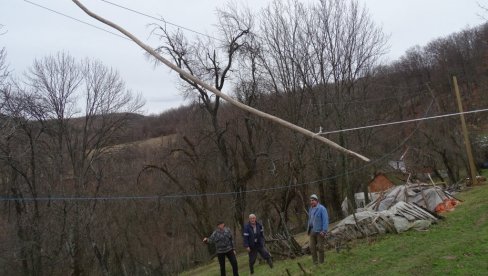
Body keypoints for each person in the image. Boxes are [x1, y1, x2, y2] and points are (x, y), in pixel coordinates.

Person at [307, 194, 329, 265]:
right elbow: (310, 220)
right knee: (312, 247)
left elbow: (325, 220)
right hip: (312, 231)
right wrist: (308, 229)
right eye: (310, 201)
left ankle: (321, 262)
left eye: (313, 200)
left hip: (320, 231)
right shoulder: (310, 209)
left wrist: (324, 231)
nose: (311, 202)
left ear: (316, 201)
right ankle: (315, 263)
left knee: (320, 248)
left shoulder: (322, 208)